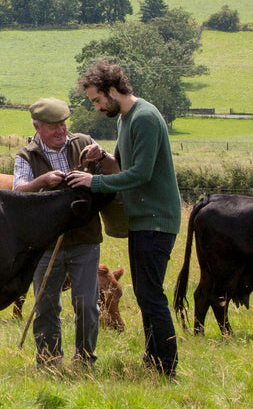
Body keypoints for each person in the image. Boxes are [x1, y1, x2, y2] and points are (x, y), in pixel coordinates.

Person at [64, 60, 181, 377]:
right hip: (142, 220)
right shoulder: (126, 119)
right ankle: (153, 359)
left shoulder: (143, 118)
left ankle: (165, 366)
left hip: (156, 219)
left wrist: (94, 182)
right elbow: (123, 167)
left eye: (97, 100)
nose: (98, 107)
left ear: (112, 89)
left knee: (151, 295)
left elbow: (140, 175)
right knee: (146, 294)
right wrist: (102, 157)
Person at [13, 97, 114, 369]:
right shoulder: (27, 155)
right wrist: (42, 182)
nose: (61, 131)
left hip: (85, 239)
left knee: (87, 305)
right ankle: (48, 361)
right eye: (52, 126)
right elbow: (17, 192)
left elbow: (116, 172)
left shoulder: (84, 142)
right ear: (37, 126)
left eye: (63, 124)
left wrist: (102, 157)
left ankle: (84, 360)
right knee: (46, 305)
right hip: (45, 244)